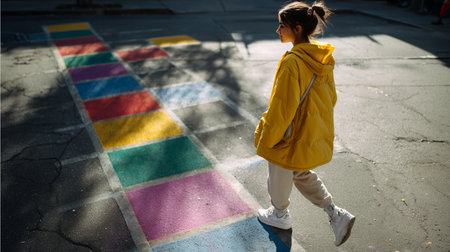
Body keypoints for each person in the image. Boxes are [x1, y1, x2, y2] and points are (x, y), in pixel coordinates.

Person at [254, 1, 355, 247]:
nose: (277, 31)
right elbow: (331, 98)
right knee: (298, 170)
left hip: (289, 131)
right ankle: (335, 213)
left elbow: (282, 108)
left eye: (282, 26)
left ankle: (279, 214)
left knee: (278, 162)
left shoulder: (293, 62)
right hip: (308, 130)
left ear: (297, 29)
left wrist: (267, 138)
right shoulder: (321, 58)